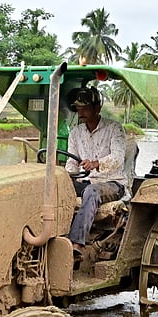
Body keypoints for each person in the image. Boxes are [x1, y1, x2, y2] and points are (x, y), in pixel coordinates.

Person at [64, 86, 127, 255]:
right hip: (86, 181)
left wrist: (96, 163)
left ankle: (77, 243)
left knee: (92, 191)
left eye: (85, 108)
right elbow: (72, 161)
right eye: (78, 109)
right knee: (57, 186)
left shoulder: (114, 128)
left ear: (97, 108)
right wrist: (67, 178)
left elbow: (118, 158)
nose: (81, 112)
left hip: (112, 183)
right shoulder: (76, 133)